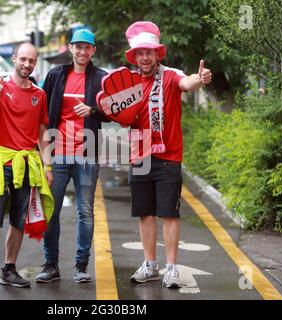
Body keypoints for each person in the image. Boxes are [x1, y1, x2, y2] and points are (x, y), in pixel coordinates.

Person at [124, 21, 212, 288]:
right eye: (140, 53)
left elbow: (187, 83)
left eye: (149, 52)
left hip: (168, 156)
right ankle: (150, 264)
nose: (145, 57)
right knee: (145, 213)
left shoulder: (170, 75)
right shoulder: (128, 81)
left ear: (157, 54)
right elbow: (114, 109)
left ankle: (171, 268)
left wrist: (201, 78)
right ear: (135, 56)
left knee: (169, 214)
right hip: (139, 156)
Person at [0, 43, 54, 294]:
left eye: (31, 61)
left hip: (28, 163)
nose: (27, 64)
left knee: (18, 221)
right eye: (23, 59)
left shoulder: (39, 95)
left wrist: (47, 165)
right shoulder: (0, 86)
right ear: (14, 59)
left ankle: (9, 269)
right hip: (2, 161)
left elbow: (42, 133)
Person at [35, 29, 108, 283]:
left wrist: (93, 109)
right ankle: (51, 264)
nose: (82, 51)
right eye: (78, 47)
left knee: (85, 212)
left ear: (93, 51)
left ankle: (81, 265)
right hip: (57, 155)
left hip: (86, 155)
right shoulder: (56, 75)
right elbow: (41, 111)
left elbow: (112, 112)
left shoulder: (100, 78)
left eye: (87, 47)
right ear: (70, 49)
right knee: (50, 210)